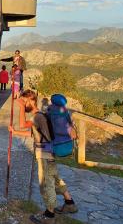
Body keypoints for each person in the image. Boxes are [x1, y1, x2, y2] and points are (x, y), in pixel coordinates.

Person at [11, 90, 78, 224]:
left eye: (25, 101)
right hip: (50, 152)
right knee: (55, 178)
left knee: (46, 184)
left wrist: (20, 107)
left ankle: (49, 215)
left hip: (44, 155)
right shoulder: (43, 115)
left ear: (31, 100)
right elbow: (34, 134)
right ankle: (70, 203)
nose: (23, 104)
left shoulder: (37, 117)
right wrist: (15, 132)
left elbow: (23, 124)